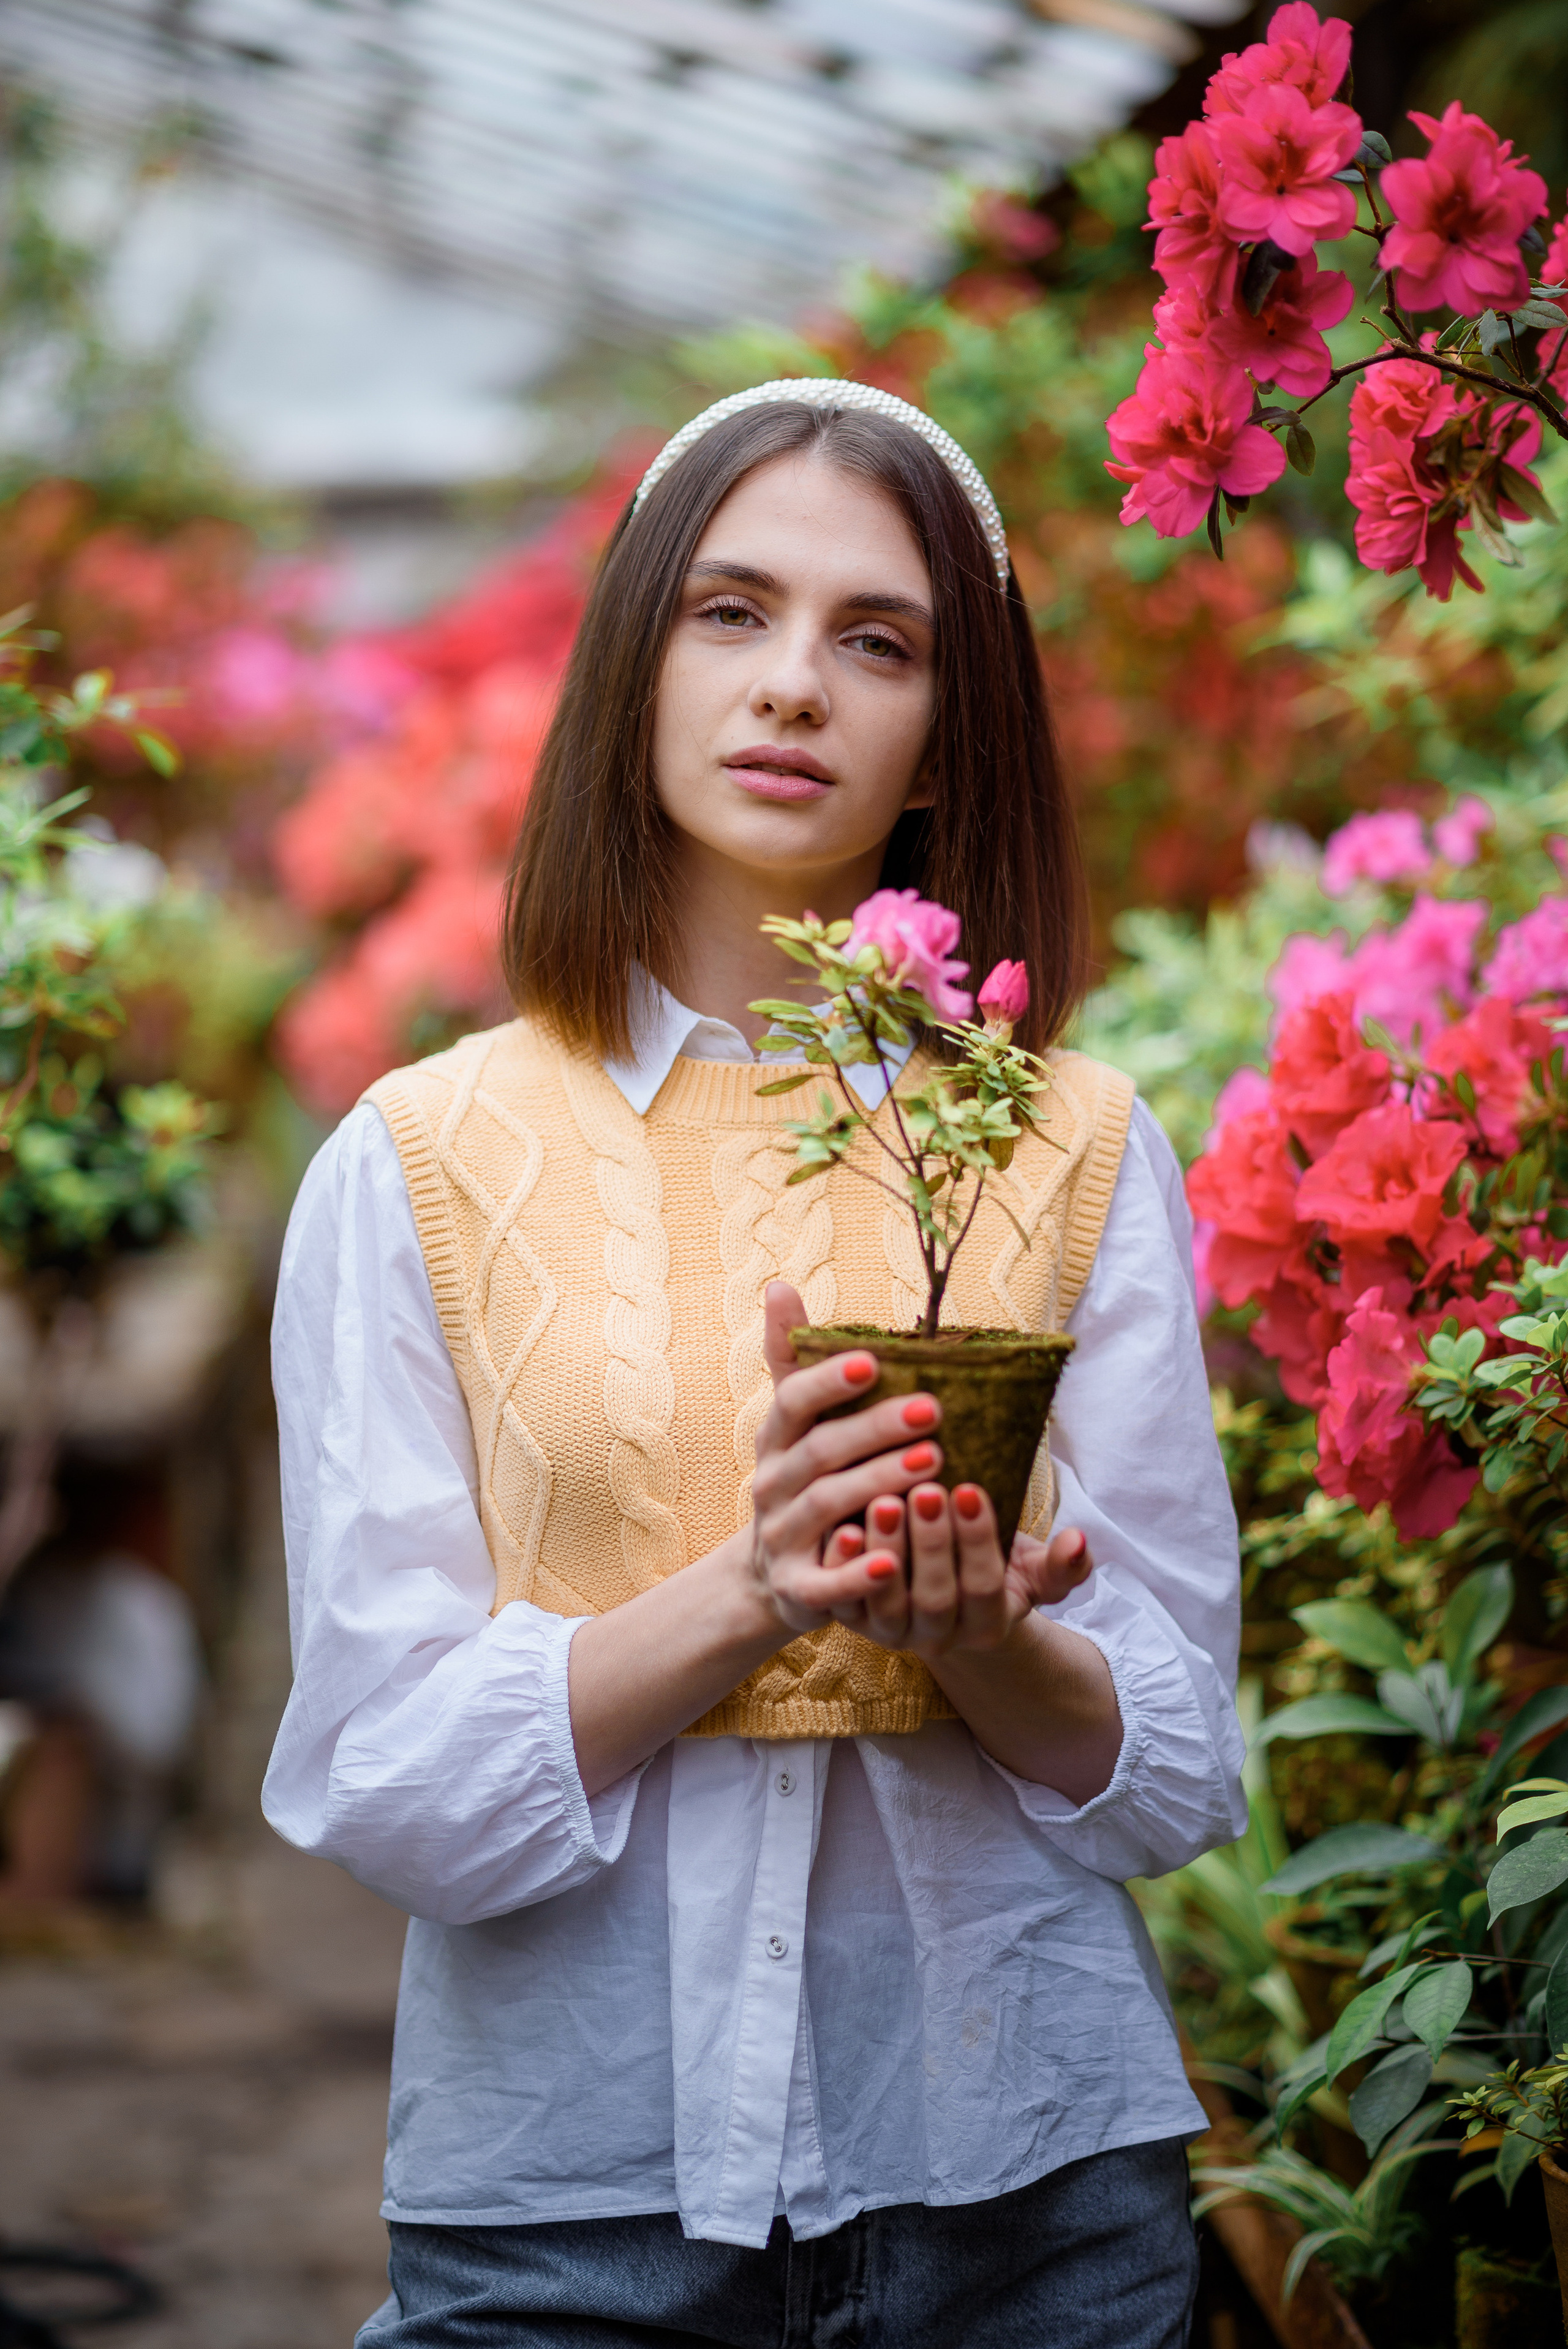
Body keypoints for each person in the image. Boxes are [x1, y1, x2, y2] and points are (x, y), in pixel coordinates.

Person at [263, 380, 1246, 2349]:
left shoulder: (1071, 1141)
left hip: (1038, 2201)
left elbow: (1178, 1763)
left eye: (875, 639)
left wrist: (984, 1637)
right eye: (733, 613)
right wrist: (748, 1593)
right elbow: (384, 1777)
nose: (796, 684)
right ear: (635, 667)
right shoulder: (420, 1164)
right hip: (565, 2219)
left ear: (947, 737)